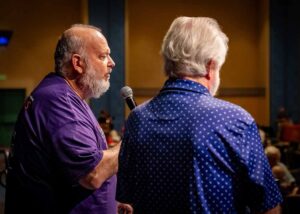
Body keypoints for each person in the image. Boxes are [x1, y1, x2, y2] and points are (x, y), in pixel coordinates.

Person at [116, 17, 282, 213]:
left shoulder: (137, 119)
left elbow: (127, 196)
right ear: (210, 67)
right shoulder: (235, 119)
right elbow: (267, 205)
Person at [5, 24, 122, 213]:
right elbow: (92, 173)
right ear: (78, 63)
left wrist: (114, 200)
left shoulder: (65, 96)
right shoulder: (58, 101)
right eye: (102, 56)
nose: (112, 62)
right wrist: (133, 139)